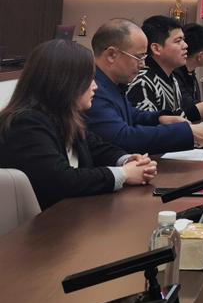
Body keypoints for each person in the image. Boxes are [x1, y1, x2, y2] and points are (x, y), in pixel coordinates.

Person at [0, 40, 157, 210]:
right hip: (45, 223)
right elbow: (61, 180)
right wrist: (124, 174)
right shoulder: (25, 123)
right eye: (89, 79)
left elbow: (98, 148)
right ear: (64, 81)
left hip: (74, 214)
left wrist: (128, 160)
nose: (95, 86)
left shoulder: (65, 116)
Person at [86, 19, 203, 153]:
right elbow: (123, 138)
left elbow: (132, 115)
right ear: (111, 55)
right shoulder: (92, 89)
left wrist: (160, 119)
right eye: (139, 57)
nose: (143, 64)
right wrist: (185, 133)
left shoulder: (111, 84)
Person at [127, 15, 189, 116]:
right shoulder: (142, 82)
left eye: (183, 40)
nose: (185, 45)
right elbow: (148, 125)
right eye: (178, 41)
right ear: (156, 48)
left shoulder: (172, 78)